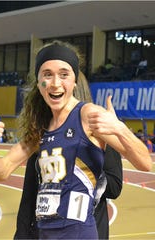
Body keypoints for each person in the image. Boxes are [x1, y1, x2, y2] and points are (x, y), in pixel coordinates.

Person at [0, 40, 151, 239]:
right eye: (47, 75)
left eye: (64, 74)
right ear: (38, 82)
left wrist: (121, 129)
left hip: (79, 233)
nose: (55, 83)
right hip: (45, 233)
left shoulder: (88, 115)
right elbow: (0, 172)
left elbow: (145, 163)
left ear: (74, 81)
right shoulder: (41, 128)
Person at [14, 71, 123, 240]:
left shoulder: (99, 127)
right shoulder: (43, 133)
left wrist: (78, 167)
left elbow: (115, 186)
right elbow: (29, 196)